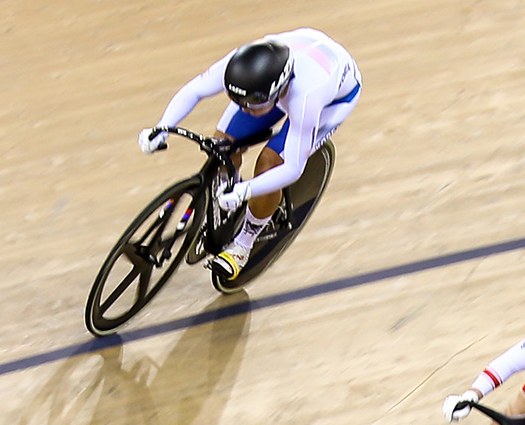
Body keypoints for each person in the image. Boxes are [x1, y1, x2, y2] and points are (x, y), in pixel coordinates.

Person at [139, 29, 361, 282]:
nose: (246, 109)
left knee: (269, 162)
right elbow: (195, 90)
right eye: (239, 101)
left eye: (253, 104)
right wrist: (161, 128)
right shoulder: (238, 65)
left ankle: (243, 244)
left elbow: (292, 169)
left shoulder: (307, 98)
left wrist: (246, 191)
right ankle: (224, 204)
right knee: (223, 144)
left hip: (333, 98)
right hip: (285, 72)